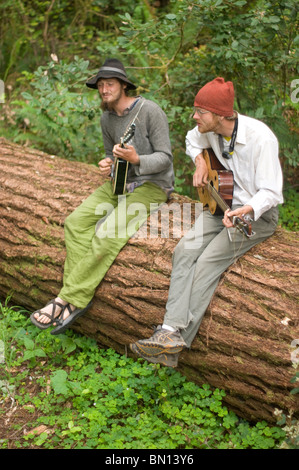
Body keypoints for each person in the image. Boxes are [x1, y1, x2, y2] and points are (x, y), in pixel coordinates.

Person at [130, 77, 283, 368]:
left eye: (201, 111)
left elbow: (271, 192)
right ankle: (169, 331)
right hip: (219, 203)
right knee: (185, 250)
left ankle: (174, 339)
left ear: (221, 115)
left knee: (207, 261)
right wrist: (200, 161)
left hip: (253, 217)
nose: (194, 117)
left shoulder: (261, 138)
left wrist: (247, 209)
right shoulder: (208, 130)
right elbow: (191, 139)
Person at [30, 58, 174, 334]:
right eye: (100, 85)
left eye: (110, 84)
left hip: (153, 186)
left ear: (123, 85)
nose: (104, 89)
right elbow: (112, 153)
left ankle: (67, 300)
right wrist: (108, 162)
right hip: (119, 182)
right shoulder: (107, 118)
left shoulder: (150, 111)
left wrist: (136, 159)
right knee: (76, 222)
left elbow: (165, 159)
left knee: (108, 231)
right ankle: (75, 297)